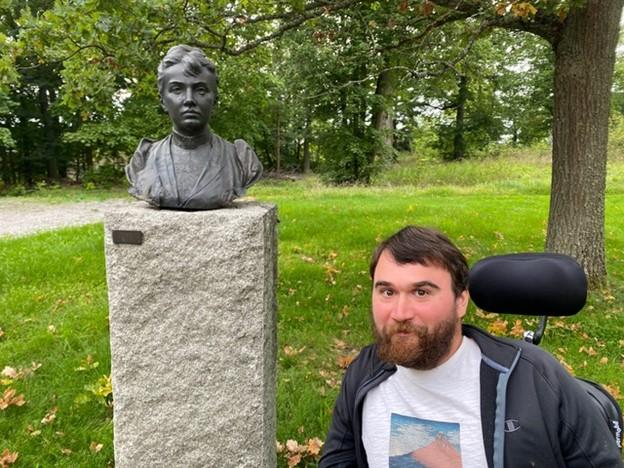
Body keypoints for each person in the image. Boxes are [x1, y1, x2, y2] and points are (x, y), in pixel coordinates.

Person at [319, 226, 623, 468]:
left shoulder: (534, 379)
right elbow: (338, 459)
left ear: (460, 301)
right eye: (387, 291)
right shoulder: (366, 372)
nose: (399, 312)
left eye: (421, 292)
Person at [126, 44, 262, 210]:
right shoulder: (144, 159)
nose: (189, 99)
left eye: (201, 90)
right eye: (177, 89)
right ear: (162, 100)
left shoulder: (240, 160)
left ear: (215, 100)